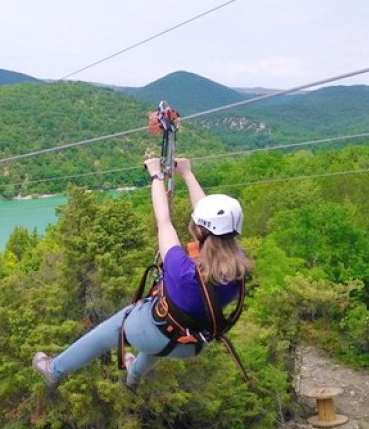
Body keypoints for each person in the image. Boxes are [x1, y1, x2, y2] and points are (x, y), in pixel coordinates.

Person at [32, 157, 253, 388]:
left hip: (152, 333)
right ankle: (134, 376)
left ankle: (54, 369)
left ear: (199, 230)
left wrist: (156, 176)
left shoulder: (183, 270)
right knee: (168, 328)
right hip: (191, 345)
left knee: (106, 334)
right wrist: (187, 174)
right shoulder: (238, 271)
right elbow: (209, 220)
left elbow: (164, 222)